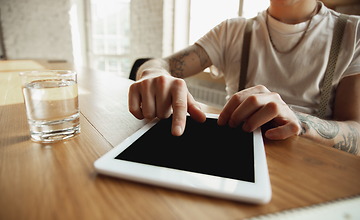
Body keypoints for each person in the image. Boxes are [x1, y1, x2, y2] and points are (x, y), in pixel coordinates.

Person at [128, 0, 360, 156]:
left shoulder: (354, 33)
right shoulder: (230, 31)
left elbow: (357, 135)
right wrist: (154, 72)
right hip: (237, 163)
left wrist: (299, 122)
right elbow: (160, 64)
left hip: (313, 166)